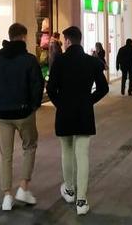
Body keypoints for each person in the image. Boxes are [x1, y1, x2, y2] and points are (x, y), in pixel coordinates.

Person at [47, 26, 110, 216]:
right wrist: (88, 101)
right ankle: (82, 201)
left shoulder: (60, 61)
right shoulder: (91, 62)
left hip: (65, 113)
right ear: (80, 40)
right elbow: (103, 88)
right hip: (84, 113)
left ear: (67, 41)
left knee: (66, 151)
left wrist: (61, 104)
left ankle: (69, 189)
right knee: (82, 155)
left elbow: (51, 88)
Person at [0, 23, 45, 212]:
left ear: (9, 36)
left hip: (3, 114)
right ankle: (24, 187)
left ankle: (6, 196)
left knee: (6, 154)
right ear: (23, 37)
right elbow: (37, 85)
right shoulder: (29, 60)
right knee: (29, 146)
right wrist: (33, 106)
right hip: (24, 112)